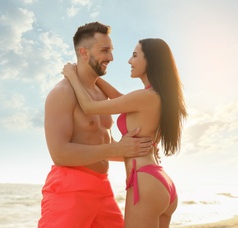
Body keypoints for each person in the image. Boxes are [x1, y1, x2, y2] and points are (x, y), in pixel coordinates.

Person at [62, 38, 187, 228]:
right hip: (160, 181)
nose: (129, 61)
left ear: (150, 60)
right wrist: (92, 76)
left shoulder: (146, 97)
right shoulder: (154, 96)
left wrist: (71, 75)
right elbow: (119, 98)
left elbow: (88, 107)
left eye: (135, 55)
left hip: (145, 182)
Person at [38, 22, 154, 228]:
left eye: (111, 50)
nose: (111, 57)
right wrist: (118, 148)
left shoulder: (100, 94)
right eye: (104, 50)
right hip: (69, 191)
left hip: (102, 188)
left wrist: (138, 149)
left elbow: (103, 144)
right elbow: (59, 154)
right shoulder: (62, 93)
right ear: (84, 52)